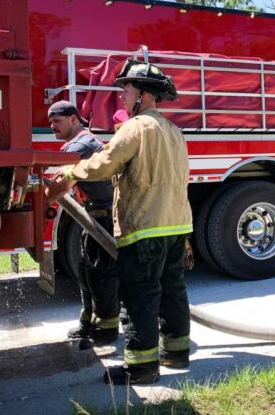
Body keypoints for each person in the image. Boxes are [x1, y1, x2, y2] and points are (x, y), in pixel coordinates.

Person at [46, 59, 193, 385]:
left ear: (143, 94)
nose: (122, 97)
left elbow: (106, 163)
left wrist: (69, 173)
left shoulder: (136, 127)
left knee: (140, 296)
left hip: (145, 227)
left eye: (126, 90)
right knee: (172, 292)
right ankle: (176, 354)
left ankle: (140, 369)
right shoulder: (174, 131)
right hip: (177, 226)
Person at [47, 100, 120, 348]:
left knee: (102, 276)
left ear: (74, 120)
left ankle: (106, 330)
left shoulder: (82, 144)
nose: (52, 126)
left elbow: (60, 184)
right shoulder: (77, 143)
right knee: (87, 273)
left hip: (105, 216)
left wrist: (43, 191)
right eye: (50, 122)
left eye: (57, 121)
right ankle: (88, 324)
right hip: (93, 216)